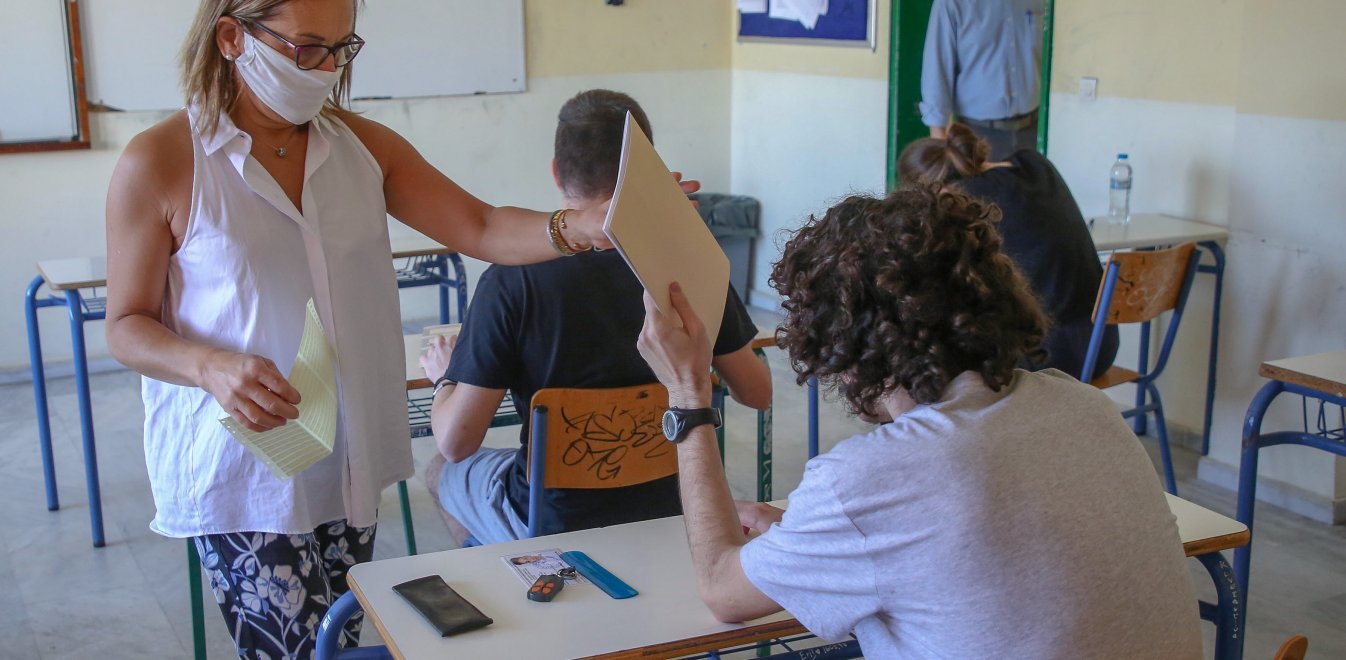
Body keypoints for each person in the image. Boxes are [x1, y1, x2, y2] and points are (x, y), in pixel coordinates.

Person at [102, 3, 693, 657]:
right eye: (307, 48)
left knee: (340, 636)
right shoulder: (162, 161)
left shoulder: (360, 148)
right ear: (231, 36)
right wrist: (208, 366)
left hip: (345, 452)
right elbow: (126, 325)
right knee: (294, 650)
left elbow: (480, 226)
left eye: (341, 48)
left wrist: (583, 225)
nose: (325, 69)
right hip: (245, 462)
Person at [634, 185, 1203, 658]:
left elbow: (722, 590)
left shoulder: (869, 478)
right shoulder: (1086, 406)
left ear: (837, 344)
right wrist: (823, 535)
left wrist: (688, 393)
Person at [419, 89, 771, 545]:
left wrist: (445, 380)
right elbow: (757, 392)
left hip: (552, 520)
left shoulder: (510, 280)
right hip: (680, 504)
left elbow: (456, 442)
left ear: (555, 172)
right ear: (650, 170)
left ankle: (510, 567)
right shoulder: (688, 260)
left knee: (440, 471)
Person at [898, 122, 1118, 380]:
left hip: (1049, 357)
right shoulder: (1035, 164)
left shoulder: (964, 204)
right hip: (1102, 343)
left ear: (933, 188)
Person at [920, 0, 1044, 160]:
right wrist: (939, 142)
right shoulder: (951, 3)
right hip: (976, 134)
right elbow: (937, 68)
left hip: (1034, 129)